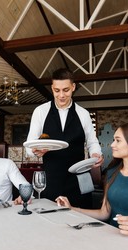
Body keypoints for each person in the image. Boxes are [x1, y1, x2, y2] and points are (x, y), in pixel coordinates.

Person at [56, 122, 128, 246]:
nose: (112, 144)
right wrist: (72, 209)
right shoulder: (111, 173)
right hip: (114, 239)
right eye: (113, 140)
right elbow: (104, 213)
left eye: (118, 140)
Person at [26, 68, 103, 208]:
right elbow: (29, 147)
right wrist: (36, 150)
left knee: (82, 219)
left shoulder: (83, 113)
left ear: (73, 87)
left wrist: (96, 154)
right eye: (57, 90)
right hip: (52, 179)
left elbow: (92, 142)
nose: (61, 95)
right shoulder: (40, 111)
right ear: (52, 88)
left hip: (80, 179)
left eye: (66, 90)